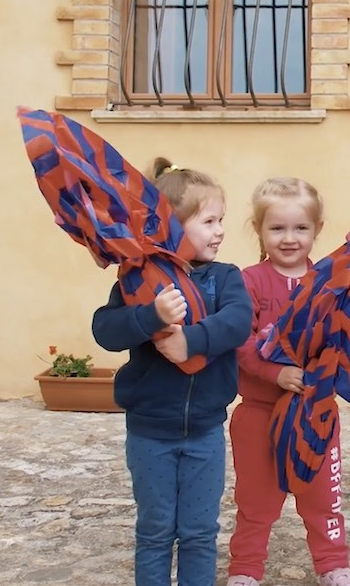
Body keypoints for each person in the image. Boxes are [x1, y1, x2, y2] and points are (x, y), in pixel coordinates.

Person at [91, 159, 253, 586]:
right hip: (149, 433)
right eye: (209, 221)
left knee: (200, 533)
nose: (220, 230)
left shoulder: (225, 277)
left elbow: (239, 321)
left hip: (204, 433)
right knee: (156, 531)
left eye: (222, 220)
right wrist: (150, 316)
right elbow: (105, 329)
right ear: (170, 227)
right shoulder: (137, 278)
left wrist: (192, 340)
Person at [227, 177, 350, 586]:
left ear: (317, 230)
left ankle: (333, 565)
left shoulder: (330, 281)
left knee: (323, 499)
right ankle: (246, 570)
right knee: (256, 501)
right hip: (258, 414)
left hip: (315, 413)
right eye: (277, 228)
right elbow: (240, 342)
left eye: (300, 228)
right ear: (259, 230)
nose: (289, 238)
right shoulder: (247, 281)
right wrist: (275, 373)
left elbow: (346, 334)